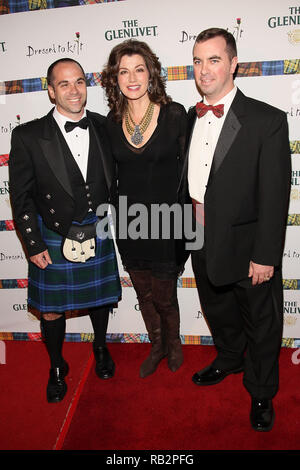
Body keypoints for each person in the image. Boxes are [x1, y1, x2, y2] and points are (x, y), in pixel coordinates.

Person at [181, 28, 291, 431]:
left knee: (261, 322)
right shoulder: (187, 117)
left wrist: (265, 255)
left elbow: (275, 195)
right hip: (198, 232)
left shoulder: (267, 120)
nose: (204, 69)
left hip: (248, 245)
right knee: (217, 307)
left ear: (233, 64)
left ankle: (261, 391)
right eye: (197, 60)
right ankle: (228, 358)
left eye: (213, 60)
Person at [9, 58, 121, 403]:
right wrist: (33, 242)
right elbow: (21, 195)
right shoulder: (28, 135)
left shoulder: (104, 126)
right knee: (52, 309)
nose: (73, 90)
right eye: (64, 84)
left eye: (79, 82)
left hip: (98, 229)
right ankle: (57, 366)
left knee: (101, 298)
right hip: (54, 234)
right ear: (50, 90)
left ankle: (100, 347)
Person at [101, 40, 187, 378]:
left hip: (168, 224)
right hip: (130, 225)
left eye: (139, 69)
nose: (132, 78)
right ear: (115, 78)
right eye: (124, 71)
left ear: (150, 74)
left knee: (165, 295)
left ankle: (174, 343)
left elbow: (188, 174)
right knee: (145, 294)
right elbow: (110, 177)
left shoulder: (175, 114)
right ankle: (157, 345)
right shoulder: (110, 122)